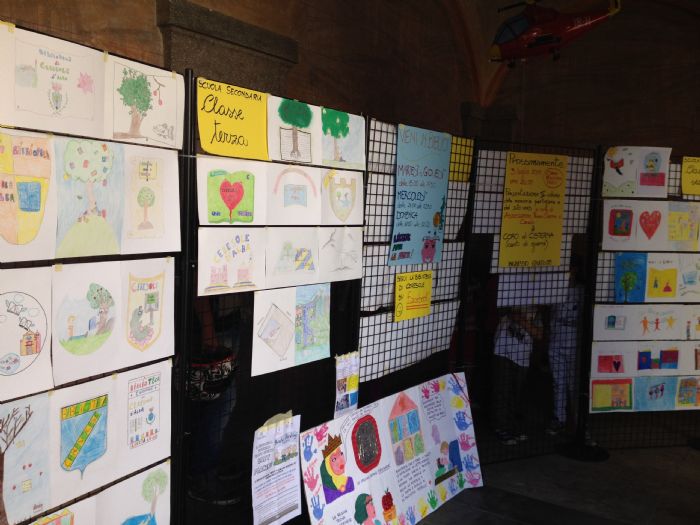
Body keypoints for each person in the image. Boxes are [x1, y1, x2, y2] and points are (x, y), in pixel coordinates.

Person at [491, 305, 543, 445]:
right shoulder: (510, 299)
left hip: (522, 356)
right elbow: (501, 312)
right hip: (502, 350)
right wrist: (516, 315)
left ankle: (511, 426)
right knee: (502, 390)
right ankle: (501, 427)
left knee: (516, 393)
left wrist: (521, 320)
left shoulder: (536, 310)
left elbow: (539, 334)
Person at [548, 259, 584, 434]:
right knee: (558, 382)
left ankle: (577, 421)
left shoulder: (581, 290)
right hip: (556, 342)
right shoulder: (555, 289)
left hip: (573, 344)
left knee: (573, 384)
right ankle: (559, 418)